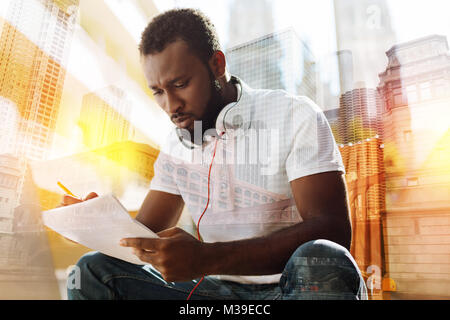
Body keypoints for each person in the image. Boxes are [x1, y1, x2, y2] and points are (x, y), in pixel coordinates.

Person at [64, 8, 367, 300]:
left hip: (290, 289)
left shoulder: (294, 114)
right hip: (214, 293)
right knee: (94, 270)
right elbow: (143, 233)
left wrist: (208, 258)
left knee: (324, 259)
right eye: (158, 91)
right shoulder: (175, 144)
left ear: (217, 65)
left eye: (180, 84)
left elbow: (332, 230)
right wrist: (98, 224)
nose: (171, 106)